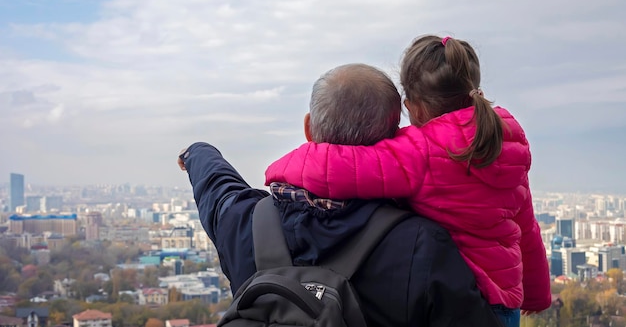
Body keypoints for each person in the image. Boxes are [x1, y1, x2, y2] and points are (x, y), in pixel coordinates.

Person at [179, 63, 502, 327]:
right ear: (391, 138)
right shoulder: (421, 243)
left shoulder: (243, 222)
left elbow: (217, 187)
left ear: (309, 128)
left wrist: (196, 153)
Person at [265, 37, 552, 327]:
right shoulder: (506, 143)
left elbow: (338, 168)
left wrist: (280, 169)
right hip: (506, 301)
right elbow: (526, 228)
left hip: (460, 300)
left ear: (413, 107)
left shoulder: (421, 151)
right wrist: (537, 294)